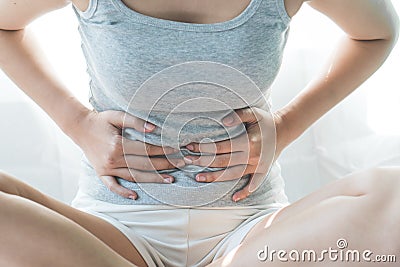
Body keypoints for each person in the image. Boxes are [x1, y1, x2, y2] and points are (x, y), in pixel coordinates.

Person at [0, 0, 399, 266]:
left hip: (249, 236)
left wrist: (285, 126)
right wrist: (76, 124)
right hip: (113, 234)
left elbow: (376, 33)